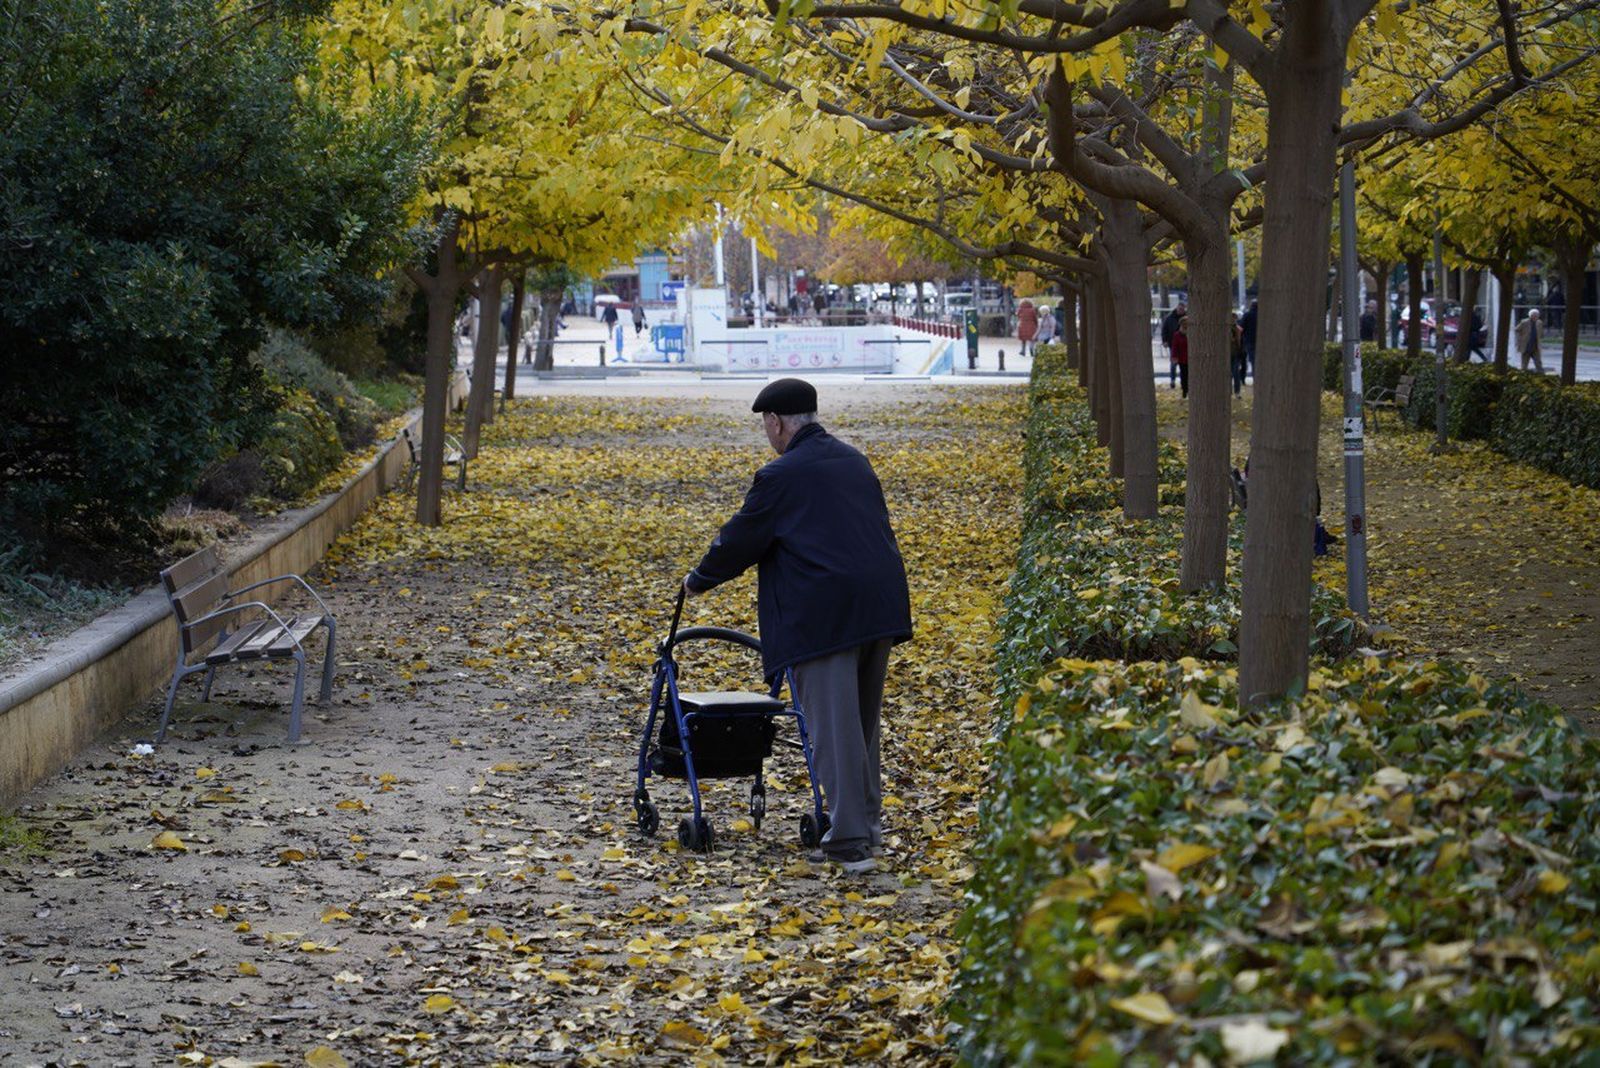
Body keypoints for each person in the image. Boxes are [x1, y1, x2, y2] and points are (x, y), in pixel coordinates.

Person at [684, 379, 913, 874]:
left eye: (765, 425)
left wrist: (698, 580)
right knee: (861, 724)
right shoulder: (853, 459)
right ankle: (866, 829)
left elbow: (741, 540)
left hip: (824, 615)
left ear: (776, 422)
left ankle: (850, 841)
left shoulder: (780, 475)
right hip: (879, 606)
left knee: (834, 730)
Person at [1160, 301, 1186, 388]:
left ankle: (1184, 381)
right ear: (1177, 308)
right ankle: (1172, 380)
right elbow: (1164, 330)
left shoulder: (1186, 318)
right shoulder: (1169, 318)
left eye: (1182, 309)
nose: (1181, 311)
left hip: (1185, 345)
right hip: (1173, 344)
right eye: (1179, 309)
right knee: (1173, 363)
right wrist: (1164, 341)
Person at [1515, 308, 1545, 373]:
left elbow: (1541, 334)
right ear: (1530, 316)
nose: (1535, 317)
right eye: (1533, 315)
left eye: (1536, 315)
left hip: (1535, 347)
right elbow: (1517, 329)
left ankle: (1541, 375)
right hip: (1526, 346)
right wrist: (1521, 337)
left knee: (1538, 363)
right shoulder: (1524, 322)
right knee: (1524, 364)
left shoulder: (1539, 323)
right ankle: (1523, 375)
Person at [1238, 299, 1257, 379]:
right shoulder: (1264, 316)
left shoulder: (1247, 315)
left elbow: (1240, 328)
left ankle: (1255, 377)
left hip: (1249, 341)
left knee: (1253, 360)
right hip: (1262, 342)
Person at [1172, 316, 1191, 398]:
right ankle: (1184, 390)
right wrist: (1174, 357)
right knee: (1184, 375)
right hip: (1182, 359)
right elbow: (1174, 347)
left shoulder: (1191, 334)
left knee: (1190, 376)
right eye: (1184, 323)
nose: (1186, 325)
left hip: (1191, 358)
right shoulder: (1177, 335)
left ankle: (1190, 390)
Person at [1229, 311, 1247, 396]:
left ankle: (1237, 392)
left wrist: (1242, 352)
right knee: (1228, 374)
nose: (1233, 320)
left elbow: (1241, 342)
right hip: (1227, 355)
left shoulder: (1239, 329)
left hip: (1236, 354)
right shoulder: (1225, 330)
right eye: (1232, 318)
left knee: (1236, 373)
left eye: (1234, 318)